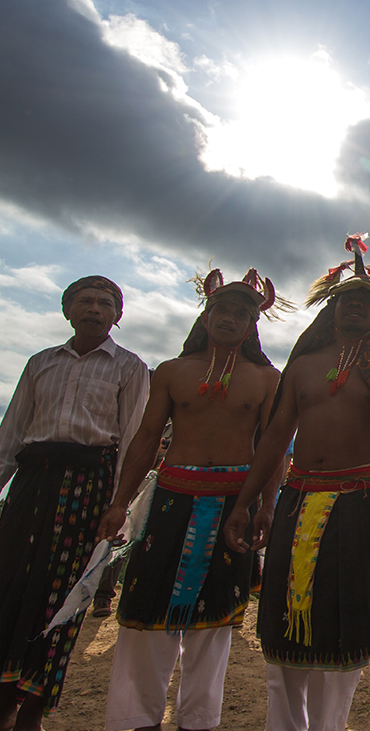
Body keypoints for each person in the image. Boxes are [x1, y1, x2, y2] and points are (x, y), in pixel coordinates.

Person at [223, 234, 370, 731]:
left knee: (344, 624)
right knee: (282, 624)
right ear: (331, 309)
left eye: (365, 301)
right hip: (295, 501)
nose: (354, 306)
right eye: (346, 299)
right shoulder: (303, 366)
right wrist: (247, 502)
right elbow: (274, 438)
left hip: (359, 506)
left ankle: (330, 726)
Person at [95, 268, 285, 731]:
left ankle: (198, 721)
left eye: (241, 313)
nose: (230, 318)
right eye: (222, 309)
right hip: (171, 499)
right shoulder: (171, 372)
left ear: (252, 324)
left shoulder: (266, 379)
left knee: (216, 619)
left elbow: (272, 448)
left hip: (233, 505)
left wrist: (266, 506)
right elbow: (145, 439)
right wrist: (120, 503)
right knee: (145, 608)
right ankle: (137, 719)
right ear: (205, 315)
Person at [0, 276, 149, 730]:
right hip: (31, 486)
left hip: (88, 491)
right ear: (67, 310)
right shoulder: (40, 362)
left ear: (117, 316)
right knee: (9, 585)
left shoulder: (130, 368)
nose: (95, 309)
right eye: (85, 301)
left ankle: (33, 707)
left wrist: (119, 504)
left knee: (62, 597)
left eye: (105, 303)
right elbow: (11, 436)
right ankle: (3, 698)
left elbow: (132, 441)